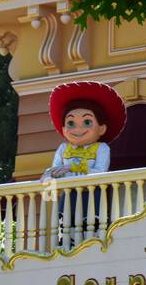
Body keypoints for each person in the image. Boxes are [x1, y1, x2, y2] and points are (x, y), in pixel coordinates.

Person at [43, 82, 127, 243]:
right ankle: (64, 245)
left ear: (101, 128)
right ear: (63, 128)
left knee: (90, 224)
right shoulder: (63, 149)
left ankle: (93, 244)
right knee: (66, 224)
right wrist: (49, 174)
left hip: (92, 193)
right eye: (71, 123)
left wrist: (72, 166)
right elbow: (55, 169)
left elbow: (101, 172)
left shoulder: (101, 148)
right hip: (68, 195)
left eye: (87, 122)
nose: (77, 128)